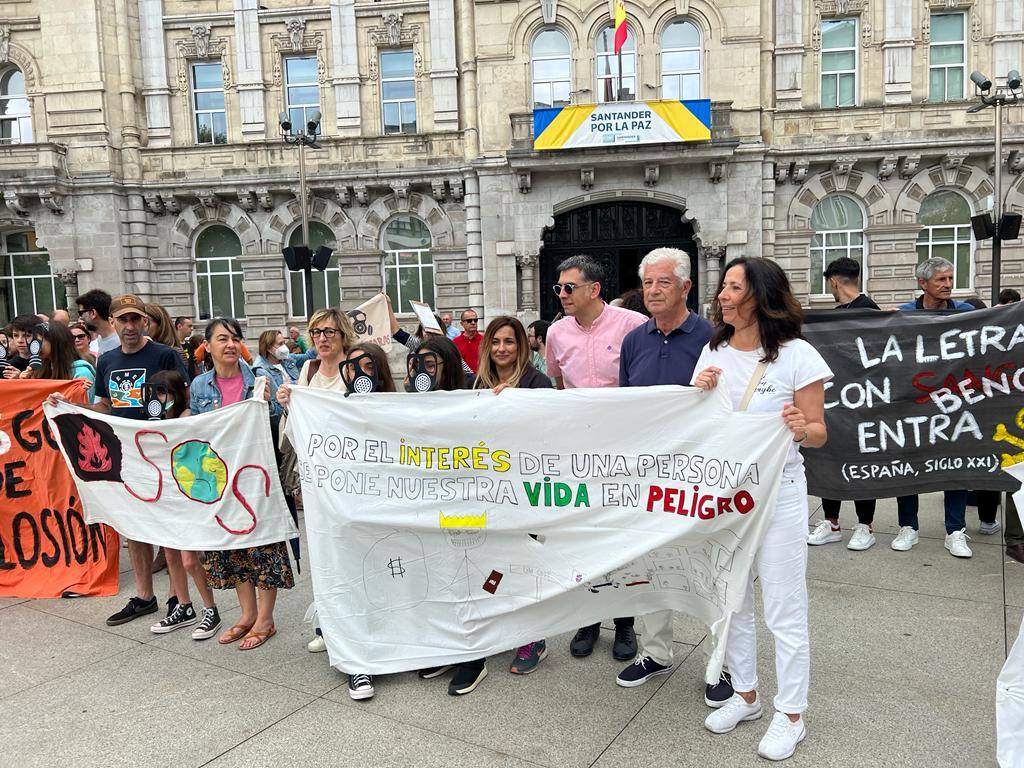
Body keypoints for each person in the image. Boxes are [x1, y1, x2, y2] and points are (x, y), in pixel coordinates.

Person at [694, 256, 831, 762]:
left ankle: (791, 713)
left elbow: (818, 432)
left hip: (779, 497)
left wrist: (801, 426)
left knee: (784, 607)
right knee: (733, 601)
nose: (723, 296)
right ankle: (746, 694)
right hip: (726, 498)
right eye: (723, 287)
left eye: (734, 287)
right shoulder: (714, 351)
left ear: (761, 296)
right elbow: (699, 427)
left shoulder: (799, 357)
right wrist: (699, 393)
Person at [612, 248, 724, 703]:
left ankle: (726, 662)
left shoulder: (715, 339)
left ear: (685, 287)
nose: (654, 291)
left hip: (703, 474)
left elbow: (732, 405)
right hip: (649, 475)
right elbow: (625, 406)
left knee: (714, 569)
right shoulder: (634, 341)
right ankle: (657, 651)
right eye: (648, 283)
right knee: (651, 566)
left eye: (663, 283)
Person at [46, 293, 189, 626]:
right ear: (112, 322)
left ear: (144, 322)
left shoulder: (165, 355)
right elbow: (106, 405)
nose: (129, 326)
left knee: (167, 527)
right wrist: (72, 408)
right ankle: (144, 596)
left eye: (135, 319)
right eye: (122, 320)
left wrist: (178, 433)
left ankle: (177, 599)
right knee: (133, 525)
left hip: (159, 453)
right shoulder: (107, 361)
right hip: (123, 454)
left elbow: (185, 401)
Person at [546, 254, 646, 661]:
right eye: (559, 288)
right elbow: (557, 384)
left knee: (622, 537)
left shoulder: (634, 327)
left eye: (570, 287)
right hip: (580, 455)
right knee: (583, 537)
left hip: (625, 453)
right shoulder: (556, 334)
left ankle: (624, 623)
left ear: (594, 289)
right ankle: (588, 618)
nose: (563, 294)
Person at [276, 310, 375, 697]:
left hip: (351, 477)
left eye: (329, 331)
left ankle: (355, 630)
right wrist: (289, 404)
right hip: (319, 481)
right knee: (323, 551)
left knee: (351, 554)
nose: (322, 338)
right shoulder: (309, 371)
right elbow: (300, 427)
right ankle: (328, 624)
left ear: (343, 333)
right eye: (316, 331)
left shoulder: (356, 366)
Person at [190, 317, 292, 651]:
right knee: (233, 547)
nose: (230, 344)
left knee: (262, 547)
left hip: (255, 477)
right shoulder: (200, 386)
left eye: (235, 338)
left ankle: (265, 619)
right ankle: (246, 614)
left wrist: (271, 402)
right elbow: (197, 429)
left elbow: (277, 424)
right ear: (208, 346)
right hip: (220, 480)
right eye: (222, 339)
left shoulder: (259, 380)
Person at [404, 335, 490, 695]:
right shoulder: (410, 399)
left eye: (429, 363)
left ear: (446, 364)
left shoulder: (473, 394)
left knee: (468, 577)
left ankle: (475, 655)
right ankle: (447, 645)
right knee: (437, 573)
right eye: (417, 364)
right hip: (430, 502)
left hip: (467, 503)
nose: (422, 371)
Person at [473, 316, 552, 674]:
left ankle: (532, 638)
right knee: (491, 562)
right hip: (487, 487)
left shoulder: (537, 383)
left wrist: (519, 401)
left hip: (525, 489)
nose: (502, 349)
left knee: (524, 562)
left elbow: (552, 426)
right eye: (496, 342)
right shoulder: (475, 383)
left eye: (510, 342)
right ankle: (502, 628)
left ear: (522, 347)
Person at [892, 257, 976, 557]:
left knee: (955, 465)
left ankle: (955, 531)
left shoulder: (966, 313)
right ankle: (908, 527)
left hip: (953, 405)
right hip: (913, 404)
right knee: (908, 465)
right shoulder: (902, 315)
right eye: (941, 280)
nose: (948, 285)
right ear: (923, 283)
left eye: (951, 279)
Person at [143, 369, 223, 640]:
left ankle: (210, 609)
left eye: (164, 392)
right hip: (164, 495)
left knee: (189, 559)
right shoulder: (153, 418)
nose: (159, 398)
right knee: (171, 555)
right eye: (155, 393)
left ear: (177, 394)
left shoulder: (186, 417)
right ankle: (184, 606)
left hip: (185, 494)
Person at [808, 257, 880, 551]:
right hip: (836, 404)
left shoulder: (870, 312)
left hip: (863, 405)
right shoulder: (839, 315)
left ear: (834, 281)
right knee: (830, 460)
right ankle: (832, 522)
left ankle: (865, 525)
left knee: (861, 463)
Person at [19, 320, 96, 401]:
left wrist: (65, 402)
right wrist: (26, 383)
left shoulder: (81, 373)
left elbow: (86, 408)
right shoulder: (42, 369)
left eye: (38, 342)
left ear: (55, 341)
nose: (35, 347)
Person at [76, 289, 120, 358]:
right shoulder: (101, 338)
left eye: (81, 313)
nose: (81, 318)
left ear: (93, 313)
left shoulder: (121, 341)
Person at [452, 309, 482, 373]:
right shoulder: (455, 342)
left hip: (481, 379)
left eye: (475, 320)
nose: (473, 323)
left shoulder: (484, 340)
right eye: (469, 321)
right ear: (462, 323)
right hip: (463, 380)